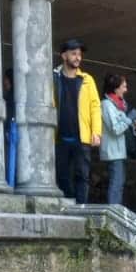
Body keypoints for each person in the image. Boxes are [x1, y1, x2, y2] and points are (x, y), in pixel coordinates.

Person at [54, 38, 101, 203]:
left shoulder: (87, 80)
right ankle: (69, 203)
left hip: (82, 136)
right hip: (59, 137)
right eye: (73, 54)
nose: (78, 57)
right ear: (64, 56)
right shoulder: (54, 78)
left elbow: (95, 107)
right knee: (62, 175)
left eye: (79, 54)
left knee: (82, 175)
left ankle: (82, 208)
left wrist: (96, 132)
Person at [99, 73, 134, 209]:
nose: (126, 90)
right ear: (115, 88)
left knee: (119, 182)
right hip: (113, 151)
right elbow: (115, 129)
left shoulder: (119, 105)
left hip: (119, 151)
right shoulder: (106, 105)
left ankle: (116, 211)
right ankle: (114, 213)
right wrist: (129, 119)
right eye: (124, 86)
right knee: (116, 183)